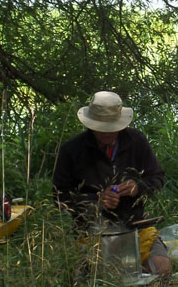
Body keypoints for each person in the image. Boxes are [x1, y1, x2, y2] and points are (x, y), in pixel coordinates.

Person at [53, 90, 171, 275]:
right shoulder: (72, 150)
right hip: (92, 231)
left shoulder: (136, 141)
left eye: (113, 128)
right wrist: (97, 202)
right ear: (91, 126)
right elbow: (59, 197)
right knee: (89, 277)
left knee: (161, 267)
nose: (109, 133)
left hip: (135, 225)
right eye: (102, 129)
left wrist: (137, 188)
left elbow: (157, 177)